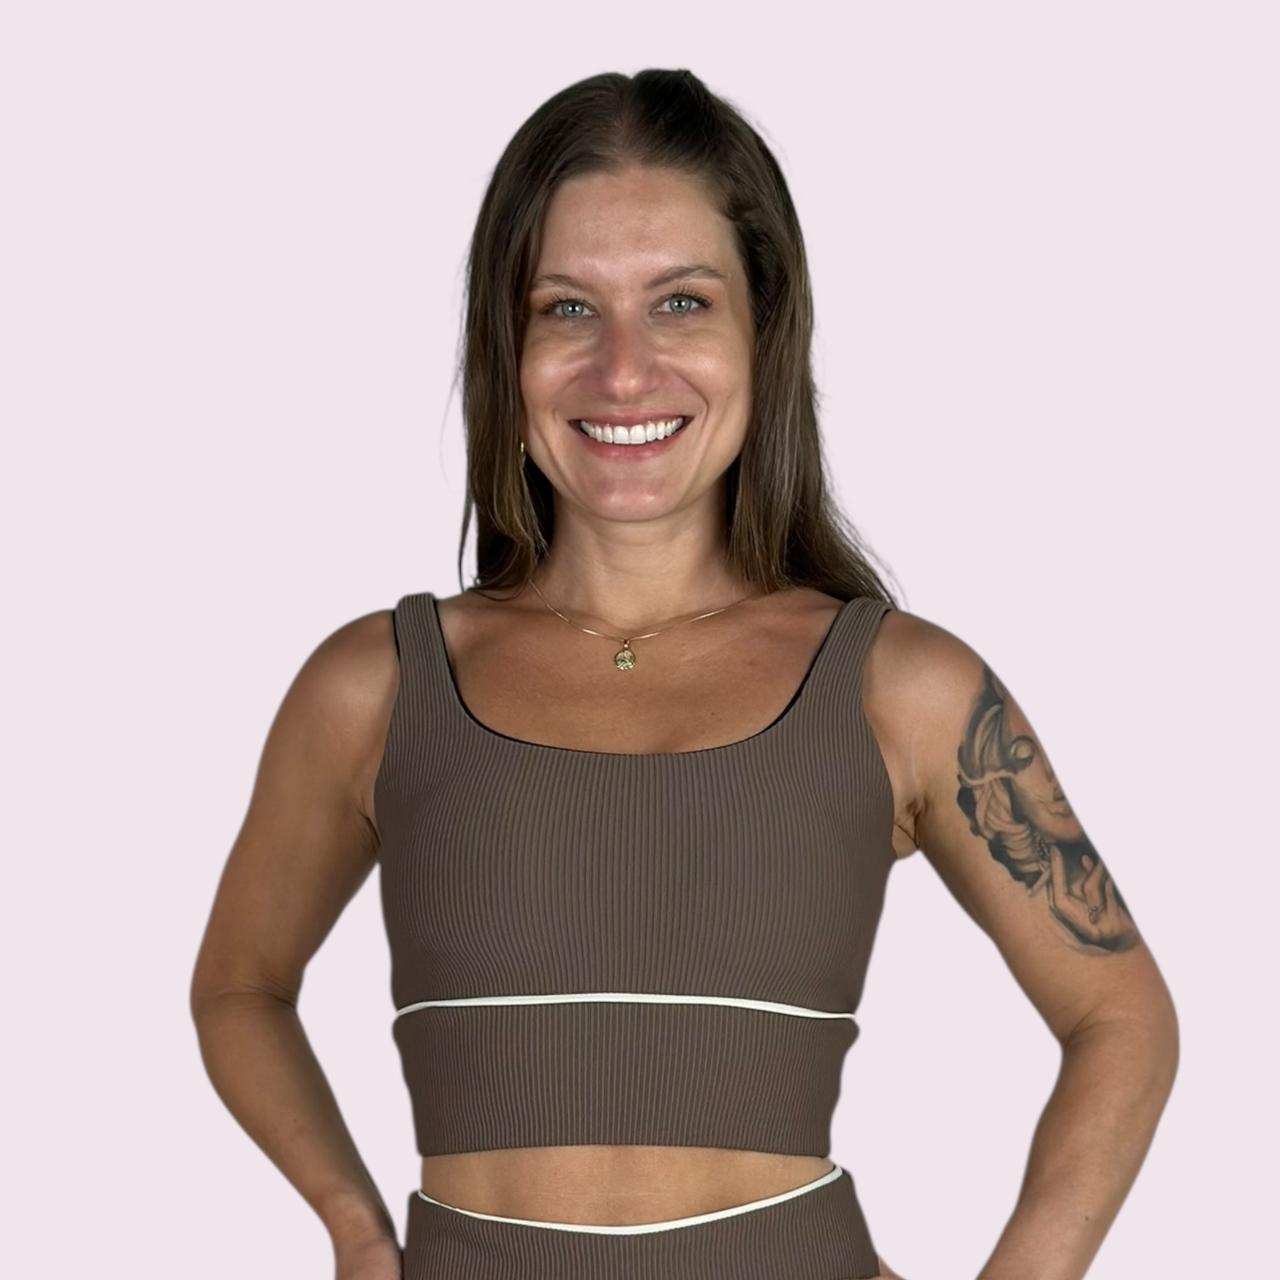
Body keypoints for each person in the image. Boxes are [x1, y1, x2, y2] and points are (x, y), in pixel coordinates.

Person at [190, 69, 1179, 1280]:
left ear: (762, 330)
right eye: (565, 307)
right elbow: (239, 985)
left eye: (679, 302)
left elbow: (1119, 1016)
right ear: (504, 344)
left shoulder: (898, 687)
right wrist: (353, 1226)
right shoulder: (378, 687)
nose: (622, 370)